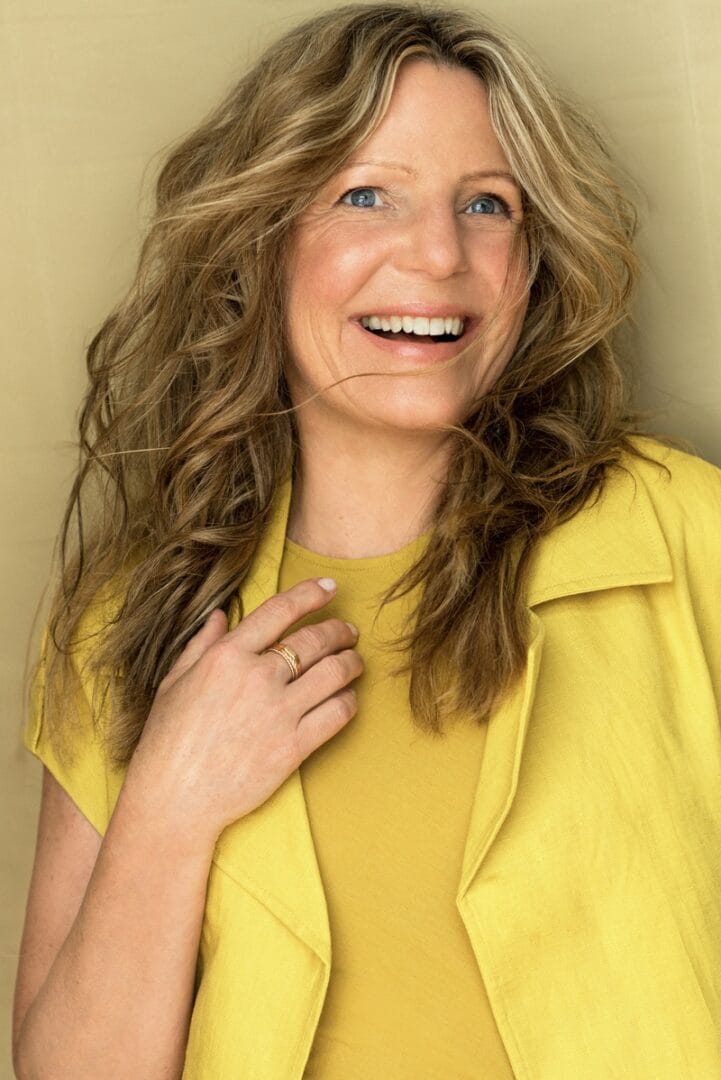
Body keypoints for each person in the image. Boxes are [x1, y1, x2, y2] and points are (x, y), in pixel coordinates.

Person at [12, 2, 721, 1077]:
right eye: (365, 195)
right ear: (260, 243)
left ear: (532, 264)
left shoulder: (683, 537)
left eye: (486, 204)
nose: (438, 253)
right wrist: (168, 806)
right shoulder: (131, 614)